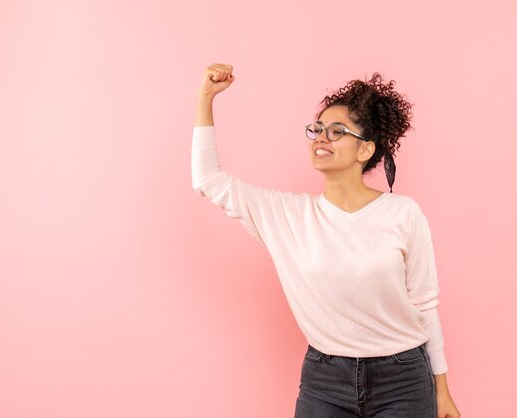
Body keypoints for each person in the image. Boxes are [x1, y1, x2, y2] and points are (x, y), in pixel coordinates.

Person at [191, 63, 461, 418]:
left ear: (365, 151)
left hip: (403, 379)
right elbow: (207, 179)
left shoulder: (403, 213)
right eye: (317, 130)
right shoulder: (285, 215)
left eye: (337, 131)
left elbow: (426, 303)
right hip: (325, 380)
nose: (321, 138)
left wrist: (442, 390)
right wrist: (206, 98)